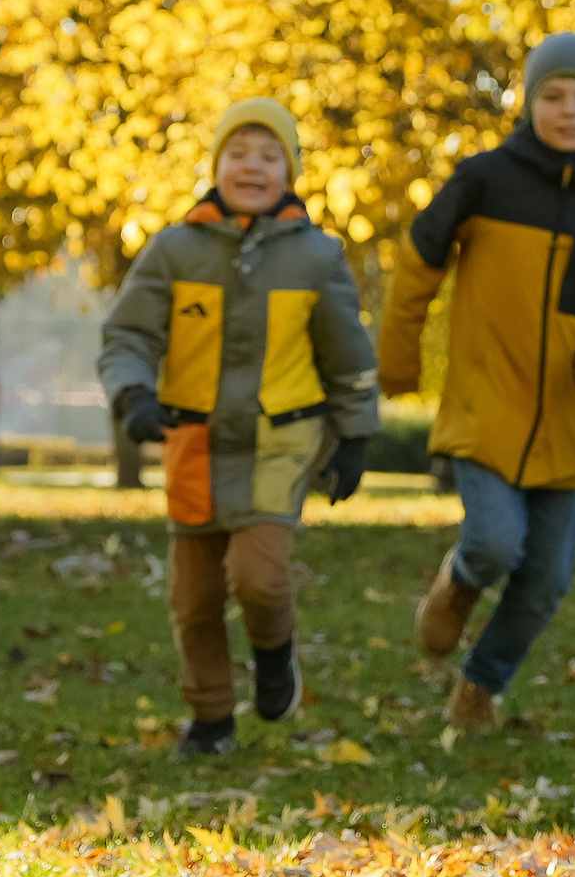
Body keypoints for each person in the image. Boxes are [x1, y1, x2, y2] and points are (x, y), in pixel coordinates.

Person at [379, 34, 575, 728]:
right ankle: (457, 584)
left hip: (570, 428)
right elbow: (417, 264)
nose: (569, 110)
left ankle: (480, 686)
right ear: (528, 102)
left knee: (545, 580)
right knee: (493, 543)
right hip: (483, 409)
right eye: (553, 95)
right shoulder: (483, 182)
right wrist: (398, 362)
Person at [98, 99, 379, 756]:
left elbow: (347, 356)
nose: (252, 166)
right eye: (239, 153)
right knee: (193, 598)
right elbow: (128, 334)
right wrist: (134, 395)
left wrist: (355, 436)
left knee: (259, 575)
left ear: (290, 172)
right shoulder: (174, 250)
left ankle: (275, 654)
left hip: (278, 443)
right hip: (192, 441)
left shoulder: (316, 258)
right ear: (216, 164)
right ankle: (211, 717)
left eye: (269, 155)